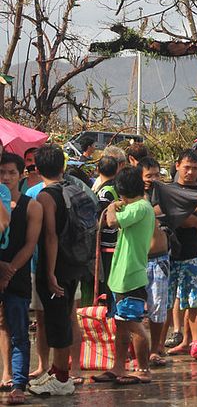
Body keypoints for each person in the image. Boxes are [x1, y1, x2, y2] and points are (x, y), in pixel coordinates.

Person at [29, 144, 87, 396]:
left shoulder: (45, 196)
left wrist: (50, 273)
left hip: (56, 267)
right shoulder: (75, 189)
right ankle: (57, 370)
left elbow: (50, 237)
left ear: (38, 168)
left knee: (58, 321)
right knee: (63, 318)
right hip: (75, 263)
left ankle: (62, 378)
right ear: (63, 167)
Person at [96, 167, 155, 385]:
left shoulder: (140, 207)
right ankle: (119, 366)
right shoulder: (137, 207)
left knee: (133, 324)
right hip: (120, 276)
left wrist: (111, 206)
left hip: (132, 276)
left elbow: (111, 221)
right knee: (121, 323)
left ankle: (143, 368)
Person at [157, 150, 197, 361]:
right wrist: (184, 217)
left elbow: (196, 214)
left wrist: (176, 214)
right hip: (168, 254)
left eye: (195, 168)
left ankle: (196, 344)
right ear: (177, 165)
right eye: (186, 167)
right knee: (166, 303)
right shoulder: (165, 190)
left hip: (194, 254)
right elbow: (163, 214)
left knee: (194, 302)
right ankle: (158, 345)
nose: (190, 172)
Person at [0, 153, 42, 404]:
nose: (6, 178)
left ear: (21, 175)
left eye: (11, 173)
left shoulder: (31, 205)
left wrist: (9, 271)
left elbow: (30, 244)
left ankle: (18, 384)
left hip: (17, 276)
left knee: (18, 332)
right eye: (1, 172)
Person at [137, 157, 170, 367]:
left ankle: (156, 347)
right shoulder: (133, 196)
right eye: (149, 175)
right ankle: (138, 350)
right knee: (136, 308)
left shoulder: (165, 194)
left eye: (157, 174)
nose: (153, 179)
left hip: (160, 259)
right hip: (138, 260)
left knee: (158, 305)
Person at [93, 156, 121, 297]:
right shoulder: (118, 187)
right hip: (116, 240)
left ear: (97, 169)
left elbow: (102, 219)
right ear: (117, 169)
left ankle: (107, 310)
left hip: (105, 242)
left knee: (107, 280)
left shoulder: (105, 192)